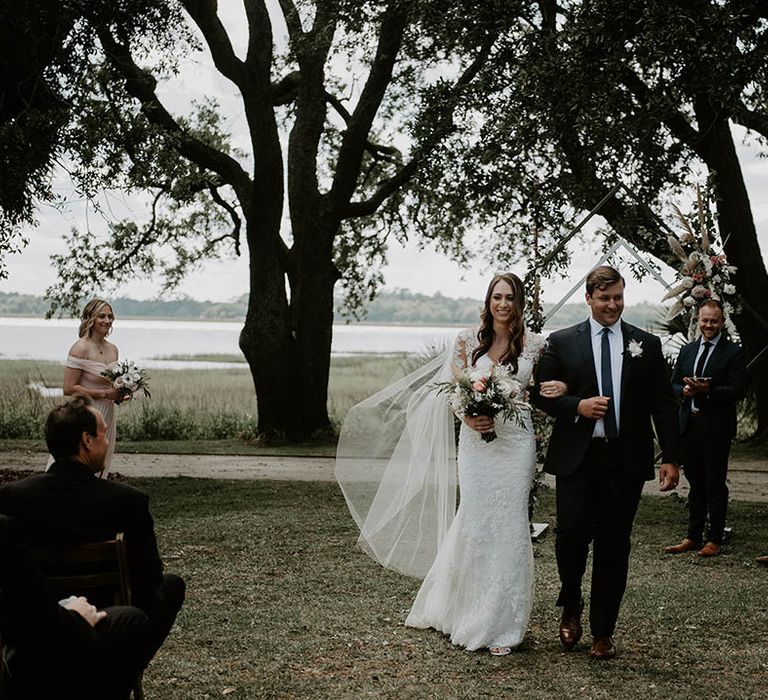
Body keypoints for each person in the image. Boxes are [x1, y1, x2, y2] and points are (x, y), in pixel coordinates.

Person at [336, 273, 566, 656]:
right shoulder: (465, 342)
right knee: (475, 521)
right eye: (497, 297)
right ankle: (465, 610)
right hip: (476, 445)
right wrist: (468, 416)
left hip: (516, 443)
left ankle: (503, 624)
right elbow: (454, 394)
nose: (503, 304)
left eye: (510, 297)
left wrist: (560, 390)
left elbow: (543, 389)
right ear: (488, 301)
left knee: (510, 524)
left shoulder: (537, 346)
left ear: (520, 302)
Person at [532, 265, 679, 660]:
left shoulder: (645, 345)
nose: (612, 305)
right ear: (589, 299)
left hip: (625, 459)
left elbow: (663, 405)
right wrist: (576, 405)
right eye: (604, 298)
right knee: (570, 536)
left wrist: (671, 458)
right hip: (577, 459)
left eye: (618, 297)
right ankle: (570, 603)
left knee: (615, 545)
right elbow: (540, 395)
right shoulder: (561, 342)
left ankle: (603, 631)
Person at [0, 394, 185, 665]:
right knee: (170, 586)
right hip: (109, 620)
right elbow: (149, 580)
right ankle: (118, 674)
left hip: (37, 625)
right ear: (87, 440)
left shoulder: (11, 498)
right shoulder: (128, 502)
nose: (108, 442)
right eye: (104, 435)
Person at [0, 514, 151, 699]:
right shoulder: (4, 529)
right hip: (27, 655)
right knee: (132, 619)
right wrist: (76, 616)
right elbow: (41, 624)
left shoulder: (11, 500)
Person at [664, 299, 748, 557]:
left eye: (714, 321)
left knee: (714, 483)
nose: (709, 325)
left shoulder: (733, 352)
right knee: (695, 482)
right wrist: (686, 390)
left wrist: (708, 391)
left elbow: (738, 390)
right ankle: (693, 536)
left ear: (722, 322)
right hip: (690, 426)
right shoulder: (688, 351)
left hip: (716, 429)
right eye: (705, 320)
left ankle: (715, 538)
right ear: (698, 320)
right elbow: (674, 383)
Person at [59, 298, 126, 477]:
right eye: (101, 316)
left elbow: (111, 384)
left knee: (102, 460)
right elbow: (69, 388)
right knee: (79, 460)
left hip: (108, 413)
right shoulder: (80, 348)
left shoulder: (113, 349)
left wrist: (121, 393)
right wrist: (104, 393)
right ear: (90, 318)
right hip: (86, 412)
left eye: (110, 316)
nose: (107, 320)